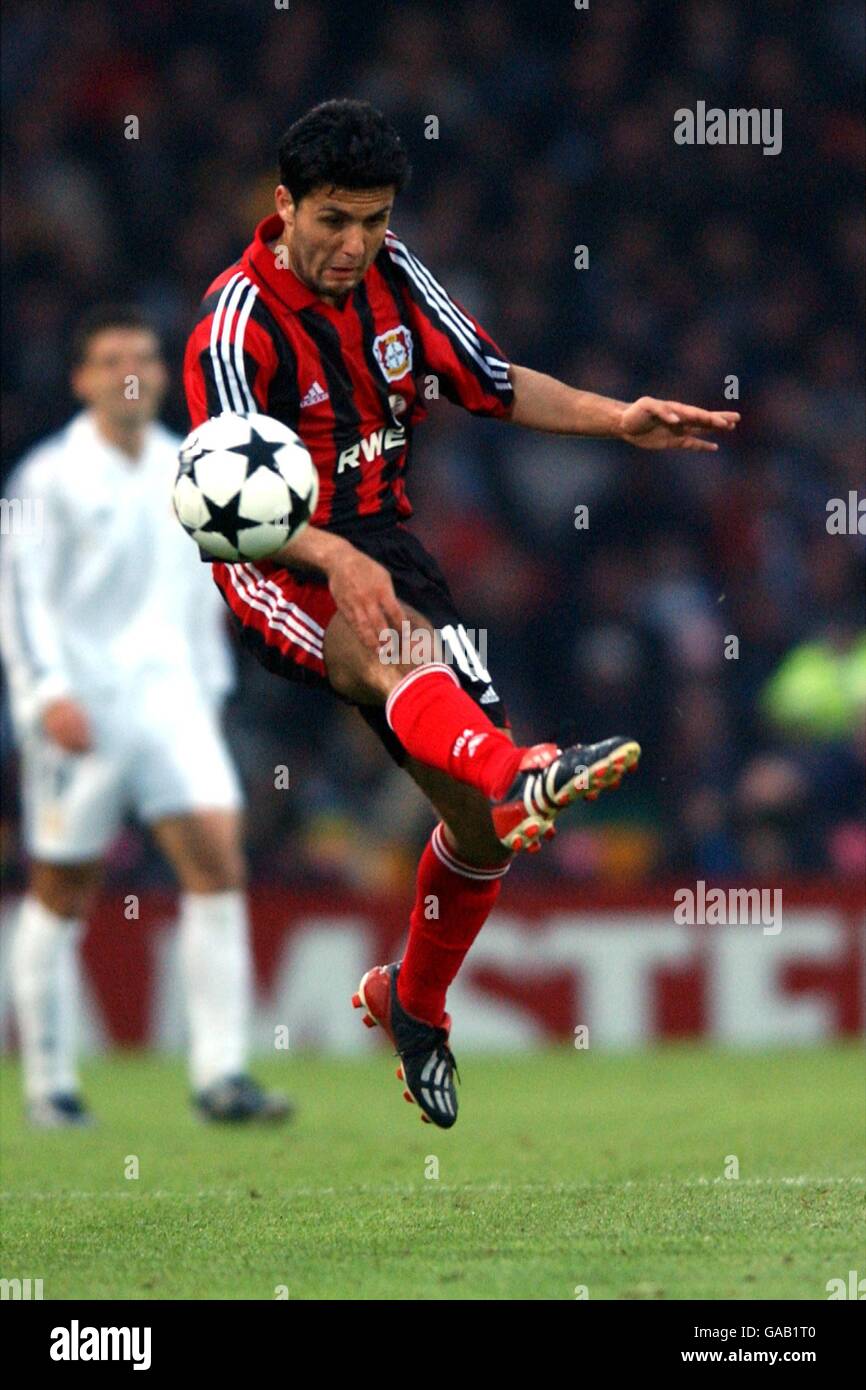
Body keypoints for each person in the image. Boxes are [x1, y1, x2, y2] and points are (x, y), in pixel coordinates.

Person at [183, 100, 739, 1129]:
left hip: (385, 547)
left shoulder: (397, 279)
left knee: (475, 830)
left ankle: (414, 998)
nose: (354, 245)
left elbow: (487, 382)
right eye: (334, 220)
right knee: (403, 661)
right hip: (275, 561)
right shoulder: (237, 325)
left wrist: (616, 418)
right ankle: (526, 764)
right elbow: (218, 504)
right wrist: (328, 550)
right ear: (284, 207)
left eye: (374, 220)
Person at [0, 306, 291, 1127]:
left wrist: (209, 688)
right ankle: (49, 1084)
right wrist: (43, 695)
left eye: (144, 355)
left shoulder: (193, 470)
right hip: (81, 708)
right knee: (61, 886)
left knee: (219, 864)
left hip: (174, 704)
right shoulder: (45, 478)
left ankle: (221, 1076)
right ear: (83, 379)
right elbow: (20, 599)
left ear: (162, 376)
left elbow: (211, 591)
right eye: (110, 357)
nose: (130, 368)